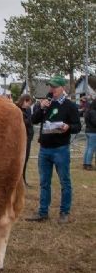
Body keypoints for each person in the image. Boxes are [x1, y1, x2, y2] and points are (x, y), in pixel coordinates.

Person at [26, 75, 81, 224]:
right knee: (44, 182)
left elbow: (78, 126)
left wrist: (68, 127)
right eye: (51, 86)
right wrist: (41, 107)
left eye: (55, 87)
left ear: (62, 88)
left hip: (60, 149)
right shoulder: (47, 103)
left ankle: (64, 212)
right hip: (44, 149)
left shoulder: (70, 106)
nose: (52, 89)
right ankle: (43, 212)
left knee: (65, 182)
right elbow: (34, 120)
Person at [15, 94, 34, 186]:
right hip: (20, 138)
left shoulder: (28, 110)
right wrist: (30, 119)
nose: (29, 106)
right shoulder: (16, 110)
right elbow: (22, 122)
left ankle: (23, 179)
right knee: (19, 160)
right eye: (28, 103)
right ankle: (18, 180)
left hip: (28, 138)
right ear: (24, 101)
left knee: (25, 160)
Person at [83, 99, 96, 170]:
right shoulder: (93, 112)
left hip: (88, 131)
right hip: (93, 132)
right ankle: (88, 164)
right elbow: (95, 122)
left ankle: (85, 163)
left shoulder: (88, 111)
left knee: (88, 148)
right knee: (91, 148)